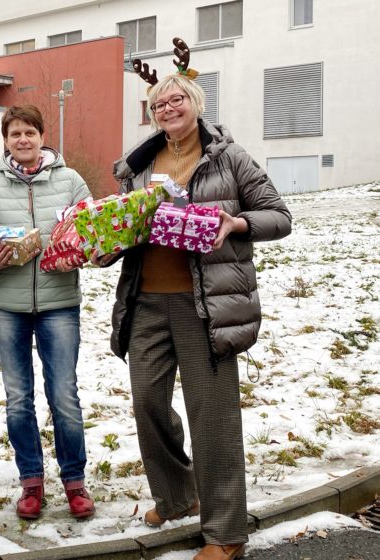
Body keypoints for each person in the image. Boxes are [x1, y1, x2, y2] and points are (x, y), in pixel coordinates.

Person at [108, 41, 292, 560]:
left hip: (205, 305)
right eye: (159, 105)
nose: (168, 109)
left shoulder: (229, 158)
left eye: (176, 100)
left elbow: (279, 216)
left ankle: (226, 532)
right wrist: (104, 237)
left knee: (211, 418)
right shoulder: (139, 166)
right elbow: (128, 225)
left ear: (195, 101)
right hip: (146, 300)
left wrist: (236, 224)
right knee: (147, 402)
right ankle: (177, 495)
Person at [0, 105, 95, 520]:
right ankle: (31, 483)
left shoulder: (71, 181)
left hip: (59, 303)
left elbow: (92, 234)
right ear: (5, 140)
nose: (22, 140)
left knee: (64, 396)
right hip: (6, 305)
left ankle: (75, 482)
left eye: (29, 132)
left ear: (43, 136)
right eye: (14, 134)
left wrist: (76, 255)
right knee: (18, 400)